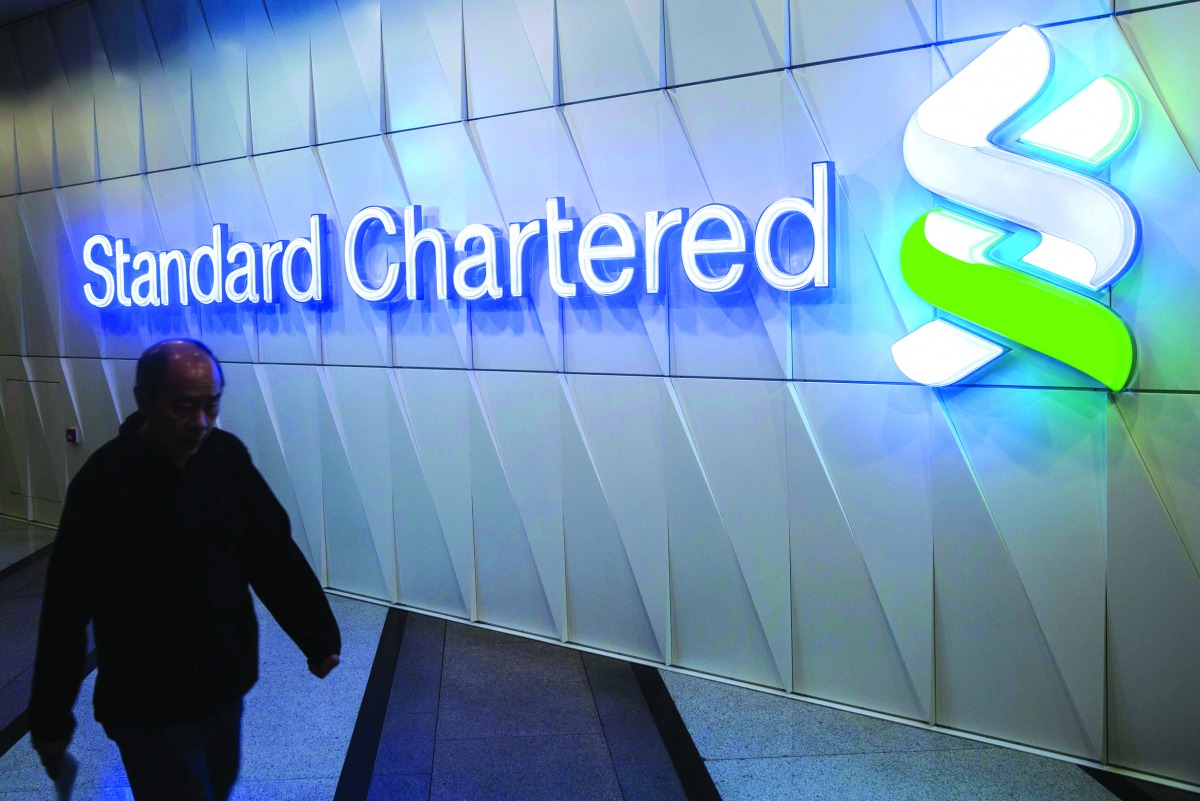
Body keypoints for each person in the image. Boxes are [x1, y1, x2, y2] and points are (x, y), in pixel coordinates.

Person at [28, 339, 342, 800]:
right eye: (183, 407)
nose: (200, 423)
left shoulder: (225, 457)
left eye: (211, 406)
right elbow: (66, 608)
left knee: (215, 787)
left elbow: (271, 552)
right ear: (144, 400)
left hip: (222, 686)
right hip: (147, 702)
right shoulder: (103, 483)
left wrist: (317, 635)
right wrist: (51, 719)